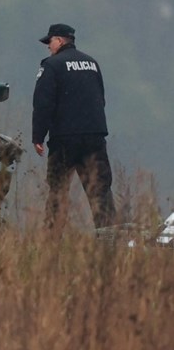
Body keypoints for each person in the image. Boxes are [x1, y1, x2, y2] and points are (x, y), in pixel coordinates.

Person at [32, 23, 116, 230]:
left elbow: (43, 104)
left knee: (58, 192)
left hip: (64, 140)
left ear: (59, 40)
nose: (48, 47)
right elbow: (101, 99)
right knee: (101, 192)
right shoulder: (92, 63)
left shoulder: (52, 65)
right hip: (94, 138)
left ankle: (52, 241)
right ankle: (110, 244)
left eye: (50, 42)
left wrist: (38, 136)